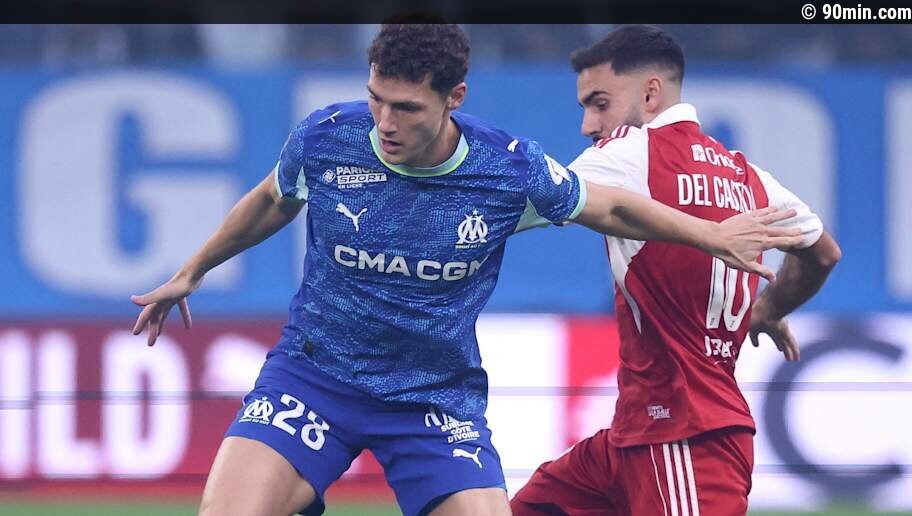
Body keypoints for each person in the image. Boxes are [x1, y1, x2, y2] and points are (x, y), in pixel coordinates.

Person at [130, 21, 802, 516]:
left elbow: (615, 207)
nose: (384, 122)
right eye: (376, 98)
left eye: (406, 108)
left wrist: (710, 236)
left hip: (433, 399)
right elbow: (275, 197)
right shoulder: (328, 137)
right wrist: (194, 269)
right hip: (315, 378)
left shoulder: (506, 169)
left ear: (454, 96)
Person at [510, 25, 842, 516]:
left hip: (685, 438)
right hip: (634, 438)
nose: (587, 125)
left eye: (599, 104)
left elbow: (526, 205)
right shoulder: (748, 176)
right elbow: (823, 253)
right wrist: (769, 309)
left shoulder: (629, 154)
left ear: (650, 93)